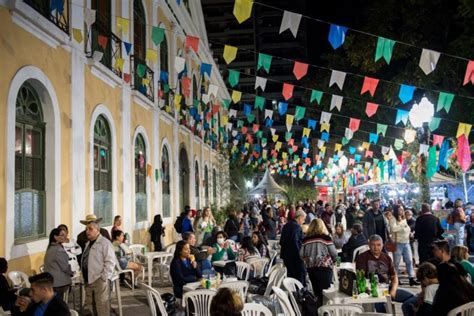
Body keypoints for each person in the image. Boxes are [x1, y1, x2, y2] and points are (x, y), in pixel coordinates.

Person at [355, 235, 414, 313]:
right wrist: (371, 290)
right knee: (382, 307)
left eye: (378, 245)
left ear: (382, 245)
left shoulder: (386, 257)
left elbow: (394, 276)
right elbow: (360, 278)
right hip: (371, 291)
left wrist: (393, 290)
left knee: (413, 299)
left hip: (386, 289)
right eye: (373, 245)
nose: (376, 248)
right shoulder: (362, 257)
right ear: (369, 245)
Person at [80, 214, 116, 316]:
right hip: (89, 280)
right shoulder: (88, 243)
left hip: (99, 280)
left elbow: (110, 262)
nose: (87, 231)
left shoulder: (105, 243)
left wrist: (103, 277)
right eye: (86, 229)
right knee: (91, 307)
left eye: (90, 229)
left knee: (102, 308)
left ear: (97, 230)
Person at [300, 218, 337, 309]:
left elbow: (301, 254)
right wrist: (333, 261)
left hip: (311, 269)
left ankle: (318, 311)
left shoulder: (305, 239)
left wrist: (308, 259)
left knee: (316, 293)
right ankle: (325, 311)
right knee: (326, 293)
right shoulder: (325, 238)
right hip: (325, 269)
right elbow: (334, 253)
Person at [389, 205, 419, 286]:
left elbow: (406, 228)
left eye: (402, 209)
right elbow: (394, 229)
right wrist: (402, 225)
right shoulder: (393, 219)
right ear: (396, 210)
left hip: (406, 242)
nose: (402, 211)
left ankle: (411, 278)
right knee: (396, 262)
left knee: (409, 260)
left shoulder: (403, 219)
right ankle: (396, 279)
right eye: (400, 209)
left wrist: (409, 232)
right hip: (397, 243)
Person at [43, 228, 72, 300]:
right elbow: (65, 267)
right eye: (62, 235)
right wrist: (71, 272)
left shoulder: (50, 248)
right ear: (55, 237)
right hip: (59, 283)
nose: (64, 237)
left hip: (51, 282)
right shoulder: (58, 250)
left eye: (65, 235)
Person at [280, 209, 306, 286]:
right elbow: (295, 243)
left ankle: (291, 295)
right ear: (300, 218)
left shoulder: (286, 225)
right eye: (303, 219)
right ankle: (299, 295)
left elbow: (281, 241)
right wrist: (301, 256)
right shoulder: (297, 227)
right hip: (296, 257)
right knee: (299, 279)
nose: (303, 221)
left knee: (290, 278)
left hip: (286, 257)